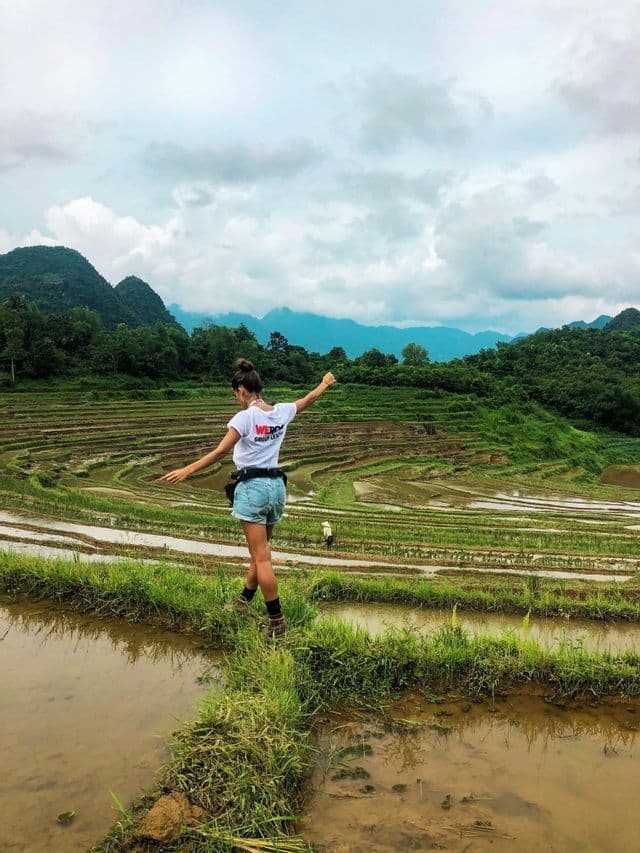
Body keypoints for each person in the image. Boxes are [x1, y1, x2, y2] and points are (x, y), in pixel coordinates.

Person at [160, 358, 336, 638]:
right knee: (260, 553)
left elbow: (219, 452)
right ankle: (242, 602)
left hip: (252, 488)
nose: (236, 400)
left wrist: (188, 469)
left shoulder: (244, 418)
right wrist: (324, 384)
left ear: (241, 391)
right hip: (276, 488)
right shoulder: (280, 412)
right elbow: (308, 399)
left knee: (262, 558)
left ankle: (276, 622)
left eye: (236, 395)